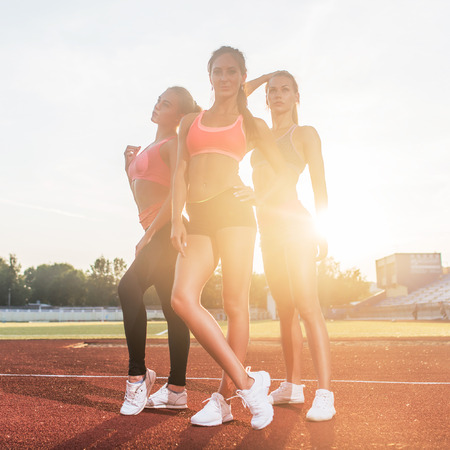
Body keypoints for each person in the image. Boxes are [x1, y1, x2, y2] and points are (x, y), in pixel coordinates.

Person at [170, 46, 286, 430]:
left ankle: (223, 399)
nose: (224, 77)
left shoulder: (250, 123)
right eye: (217, 71)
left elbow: (285, 170)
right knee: (182, 298)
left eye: (232, 72)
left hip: (235, 214)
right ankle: (250, 384)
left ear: (241, 76)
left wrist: (262, 196)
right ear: (209, 76)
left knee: (235, 303)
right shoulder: (191, 121)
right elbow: (179, 174)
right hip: (198, 218)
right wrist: (176, 221)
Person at [241, 70, 336, 421]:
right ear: (265, 99)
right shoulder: (258, 135)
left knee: (307, 304)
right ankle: (293, 384)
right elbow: (236, 100)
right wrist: (262, 78)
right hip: (267, 231)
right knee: (285, 309)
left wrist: (321, 229)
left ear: (297, 97)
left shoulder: (305, 134)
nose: (278, 95)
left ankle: (325, 393)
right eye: (272, 91)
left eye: (285, 90)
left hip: (296, 227)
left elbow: (319, 184)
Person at [118, 86, 200, 415]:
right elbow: (141, 193)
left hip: (169, 232)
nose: (157, 106)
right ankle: (176, 390)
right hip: (156, 231)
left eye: (166, 104)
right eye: (158, 100)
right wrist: (127, 166)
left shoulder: (175, 143)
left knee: (128, 287)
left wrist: (148, 236)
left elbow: (177, 193)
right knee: (173, 309)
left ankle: (138, 377)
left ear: (179, 116)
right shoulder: (148, 147)